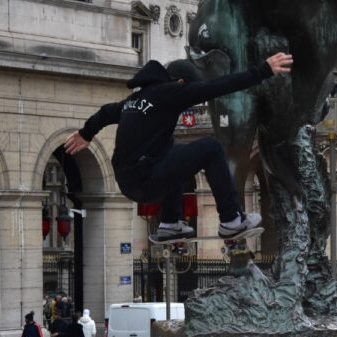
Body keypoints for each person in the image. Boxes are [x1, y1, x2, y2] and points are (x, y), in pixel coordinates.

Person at [64, 52, 294, 240]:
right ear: (181, 82)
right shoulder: (171, 92)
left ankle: (170, 223)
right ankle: (231, 220)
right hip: (146, 178)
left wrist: (86, 133)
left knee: (172, 150)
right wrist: (263, 71)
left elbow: (105, 112)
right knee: (211, 148)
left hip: (128, 181)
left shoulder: (133, 101)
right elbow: (217, 87)